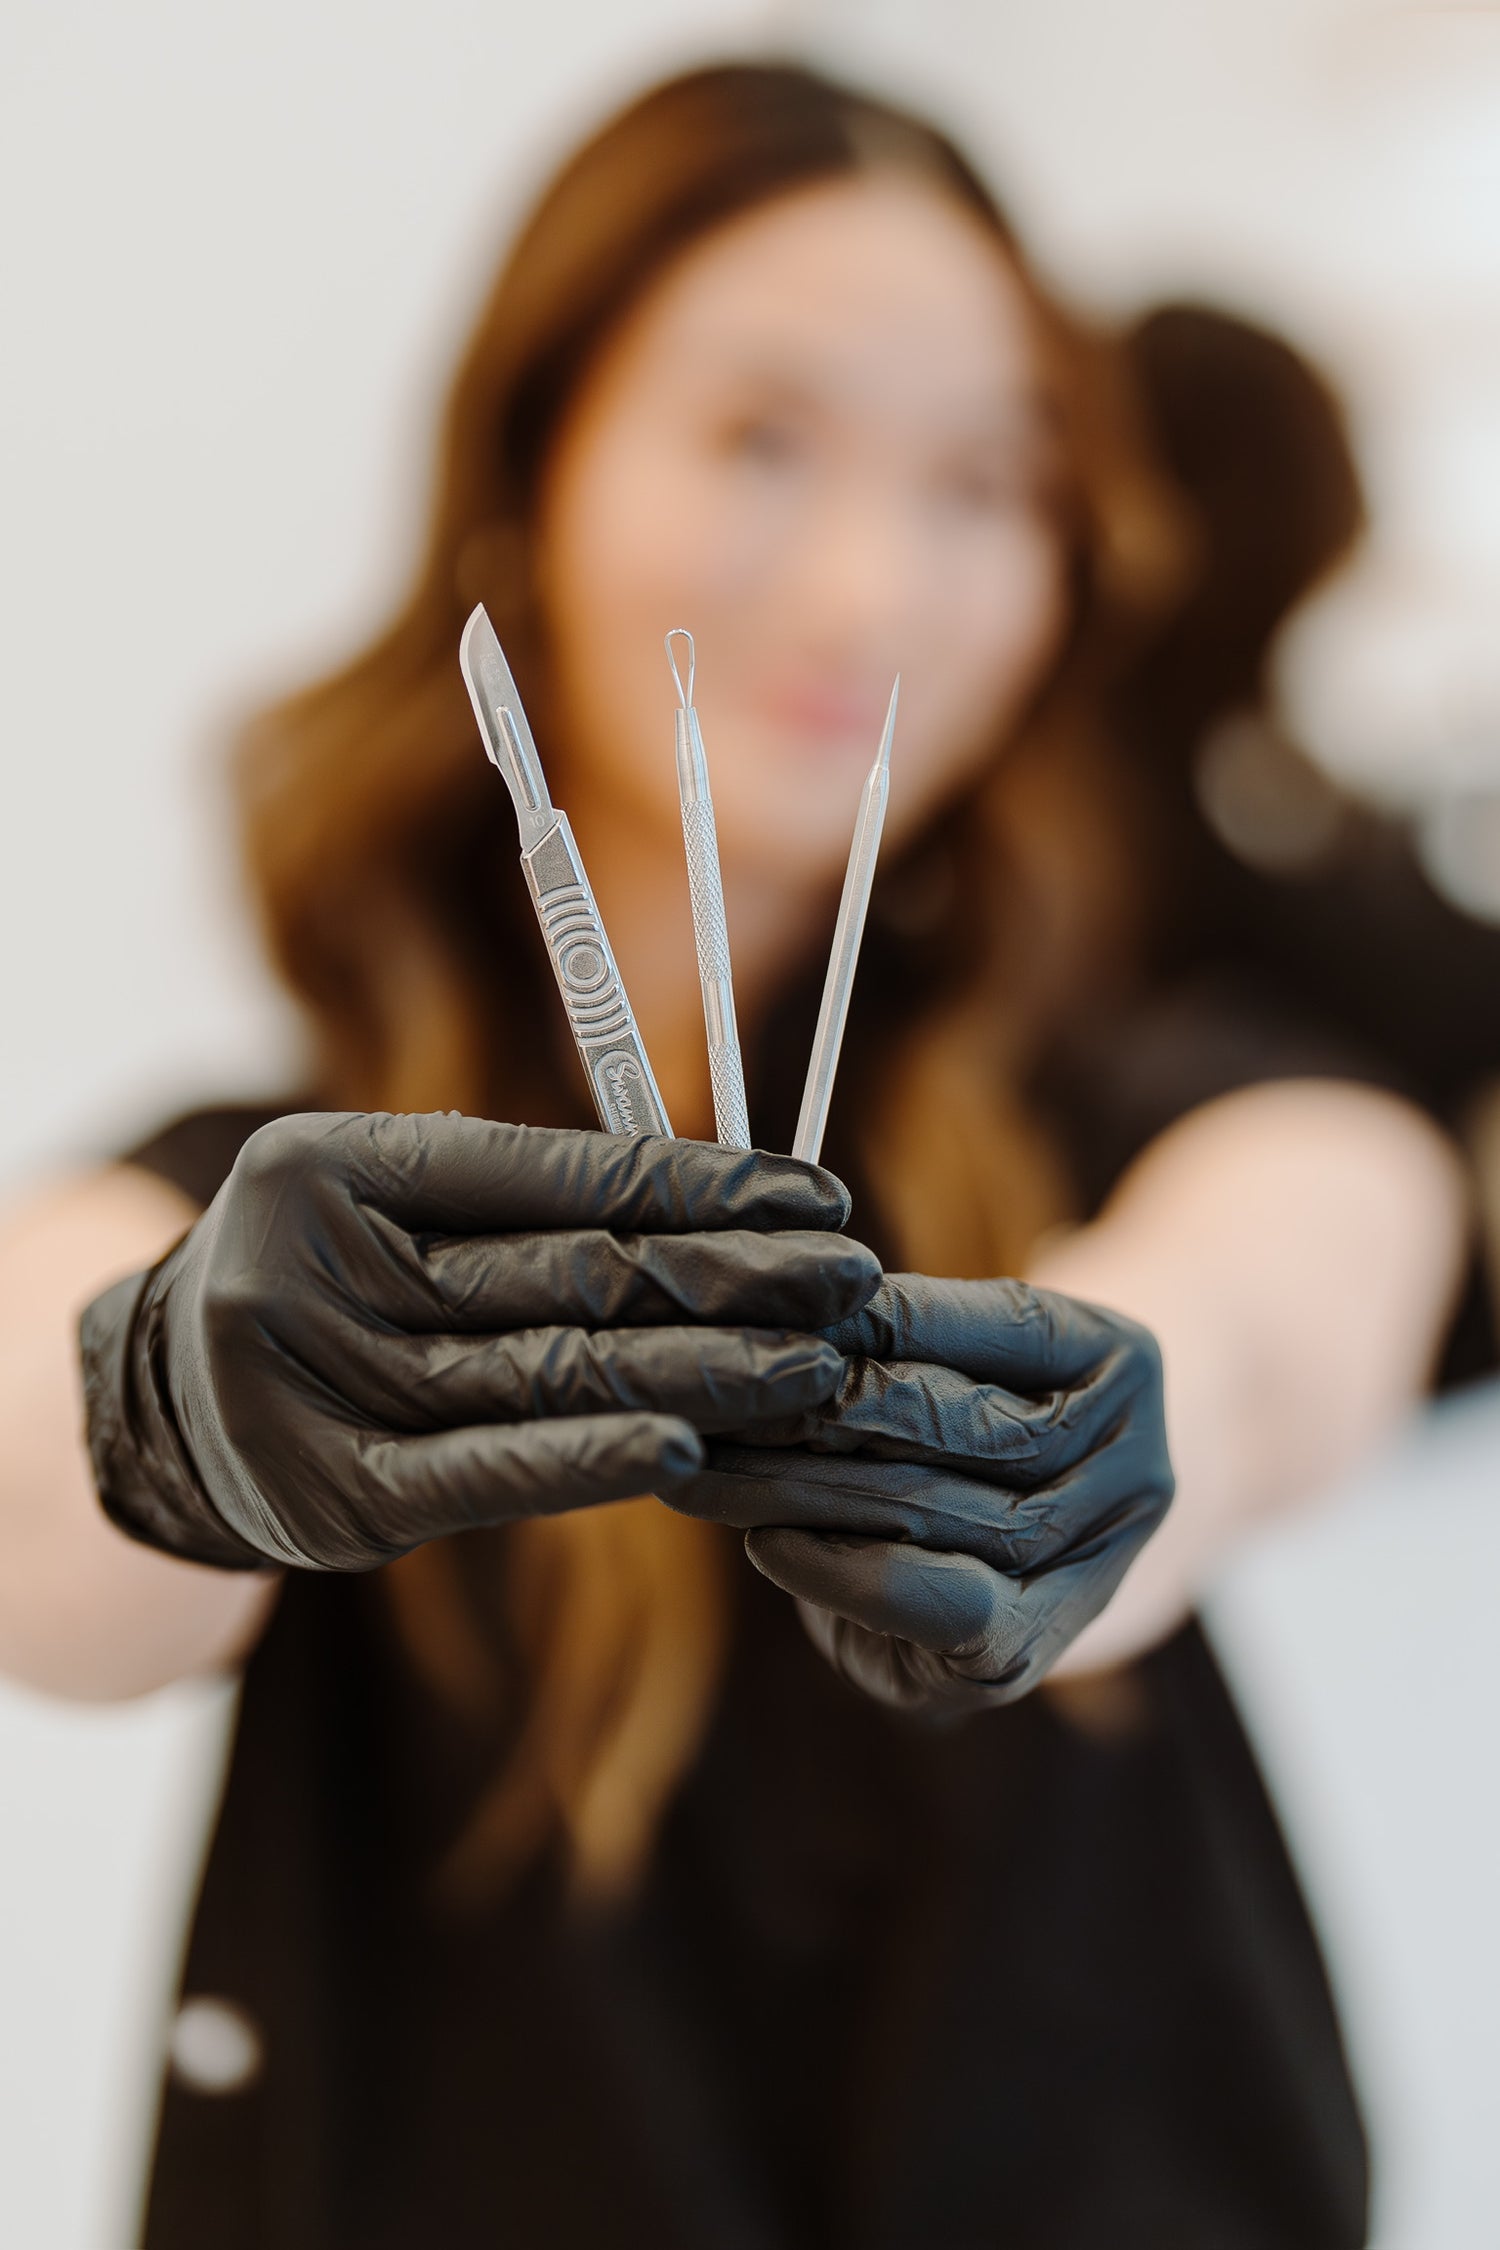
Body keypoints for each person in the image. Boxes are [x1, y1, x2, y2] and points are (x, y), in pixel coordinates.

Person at [0, 61, 1469, 2250]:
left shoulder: (1165, 1088)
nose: (878, 584)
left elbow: (1304, 1275)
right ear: (531, 480)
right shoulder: (281, 1203)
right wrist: (163, 1407)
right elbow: (42, 1489)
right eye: (762, 438)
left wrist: (1117, 1439)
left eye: (986, 481)